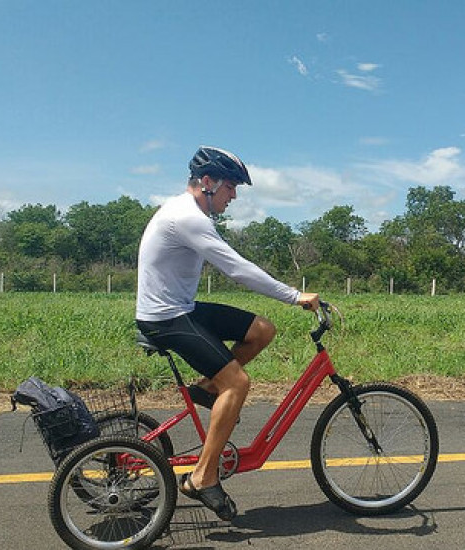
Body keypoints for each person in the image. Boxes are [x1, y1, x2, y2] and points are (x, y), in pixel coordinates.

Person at [135, 145, 319, 521]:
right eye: (230, 187)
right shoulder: (187, 218)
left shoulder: (189, 212)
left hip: (179, 308)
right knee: (237, 383)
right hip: (164, 318)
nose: (233, 196)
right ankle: (202, 477)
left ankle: (206, 387)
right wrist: (294, 295)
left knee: (262, 331)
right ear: (207, 182)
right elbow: (238, 270)